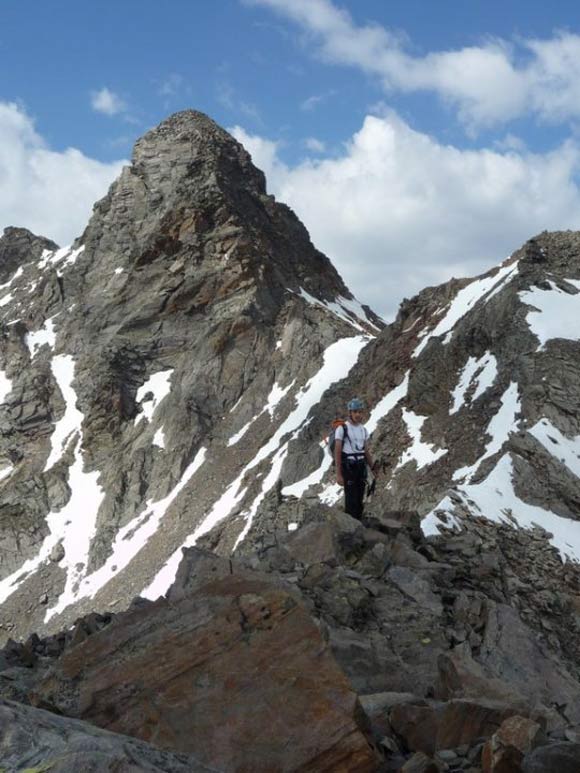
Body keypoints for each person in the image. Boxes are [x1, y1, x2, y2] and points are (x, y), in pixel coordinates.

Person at [335, 398, 376, 520]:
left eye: (360, 412)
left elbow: (365, 451)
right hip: (349, 468)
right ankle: (350, 528)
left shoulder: (363, 430)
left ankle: (357, 526)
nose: (358, 414)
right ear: (350, 413)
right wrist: (338, 474)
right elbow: (337, 451)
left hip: (360, 467)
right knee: (351, 499)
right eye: (355, 412)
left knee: (359, 498)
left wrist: (373, 467)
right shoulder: (342, 429)